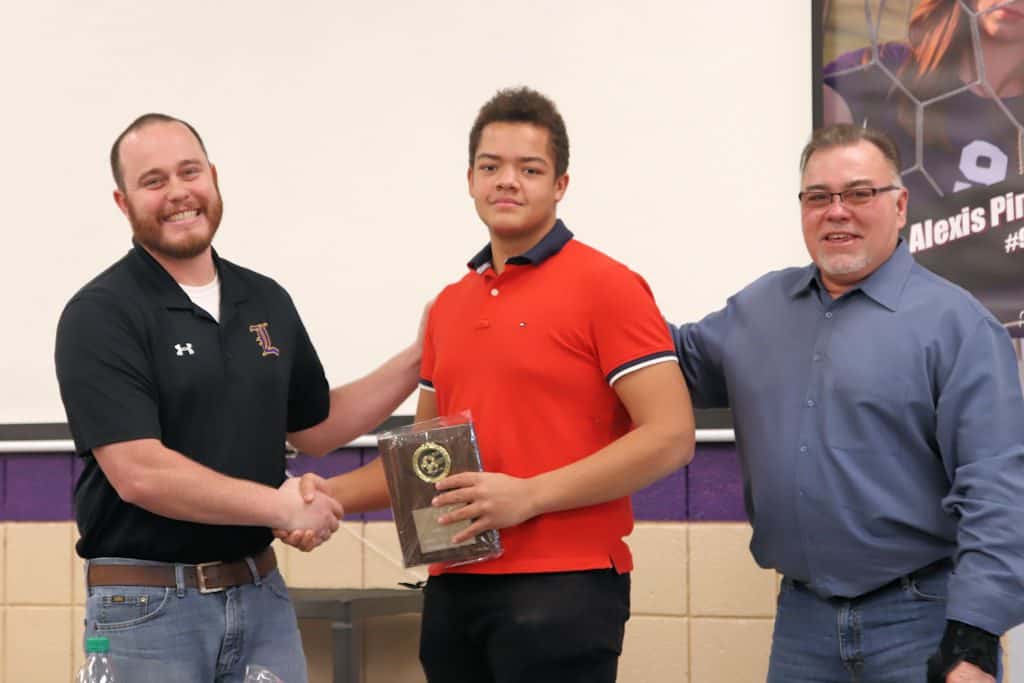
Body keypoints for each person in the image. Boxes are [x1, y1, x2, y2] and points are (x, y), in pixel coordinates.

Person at [282, 87, 696, 682]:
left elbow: (671, 436)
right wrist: (324, 495)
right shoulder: (450, 306)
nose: (508, 181)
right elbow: (424, 461)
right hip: (455, 586)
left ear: (560, 184)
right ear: (470, 180)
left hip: (565, 586)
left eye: (530, 169)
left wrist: (527, 496)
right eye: (491, 166)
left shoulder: (610, 286)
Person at [55, 113, 424, 682]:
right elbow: (140, 473)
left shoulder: (265, 299)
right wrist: (281, 507)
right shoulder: (101, 313)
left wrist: (421, 357)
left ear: (214, 177)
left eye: (189, 172)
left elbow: (316, 426)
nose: (178, 192)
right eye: (153, 181)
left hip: (261, 596)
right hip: (147, 608)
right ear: (123, 202)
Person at [673, 123, 1024, 682]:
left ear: (900, 206)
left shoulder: (958, 326)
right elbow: (663, 366)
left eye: (859, 193)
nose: (837, 212)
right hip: (802, 625)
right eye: (819, 197)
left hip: (923, 621)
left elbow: (997, 489)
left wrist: (975, 638)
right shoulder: (759, 310)